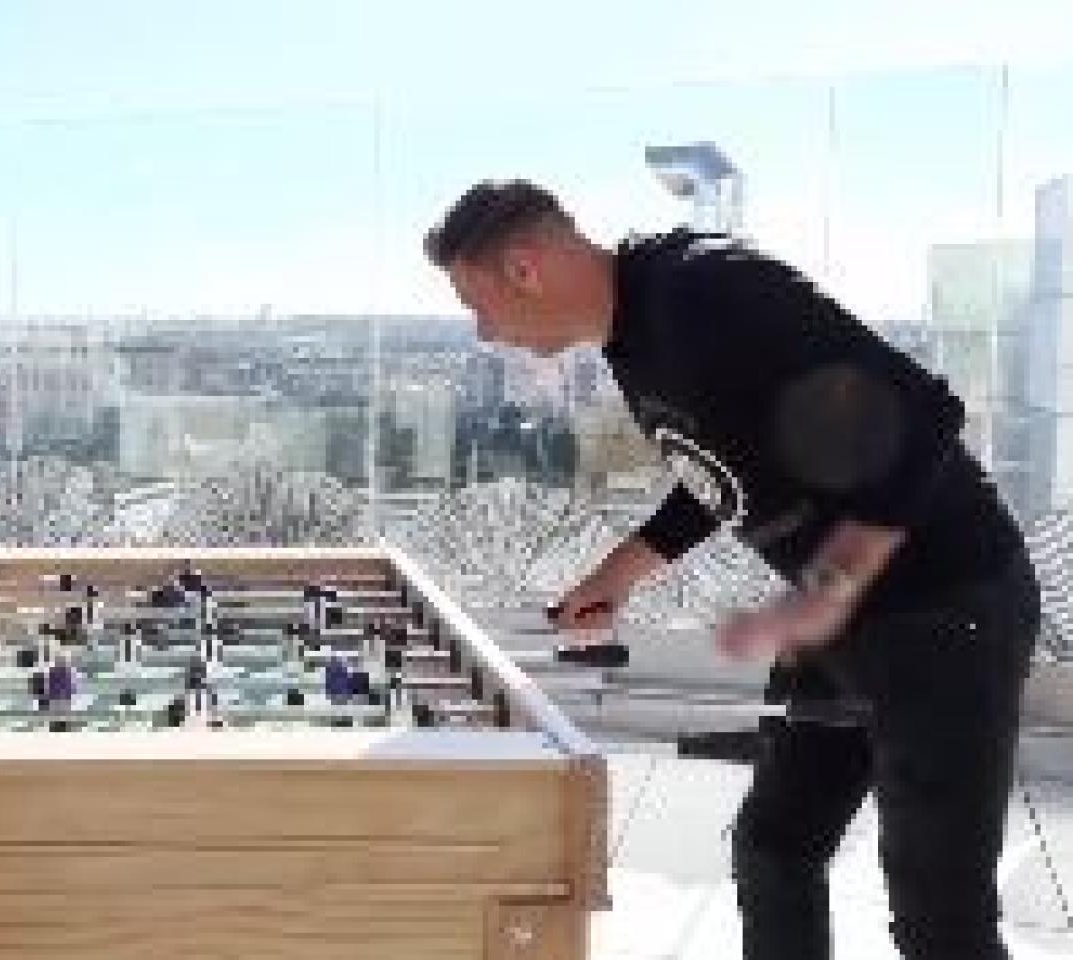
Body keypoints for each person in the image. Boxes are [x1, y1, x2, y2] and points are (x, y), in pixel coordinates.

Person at [424, 180, 1040, 960]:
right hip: (850, 623)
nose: (485, 334)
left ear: (523, 268)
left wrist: (831, 588)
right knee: (775, 851)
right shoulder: (632, 341)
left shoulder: (705, 288)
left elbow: (924, 411)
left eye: (479, 306)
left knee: (940, 917)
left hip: (949, 610)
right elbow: (723, 474)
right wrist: (619, 573)